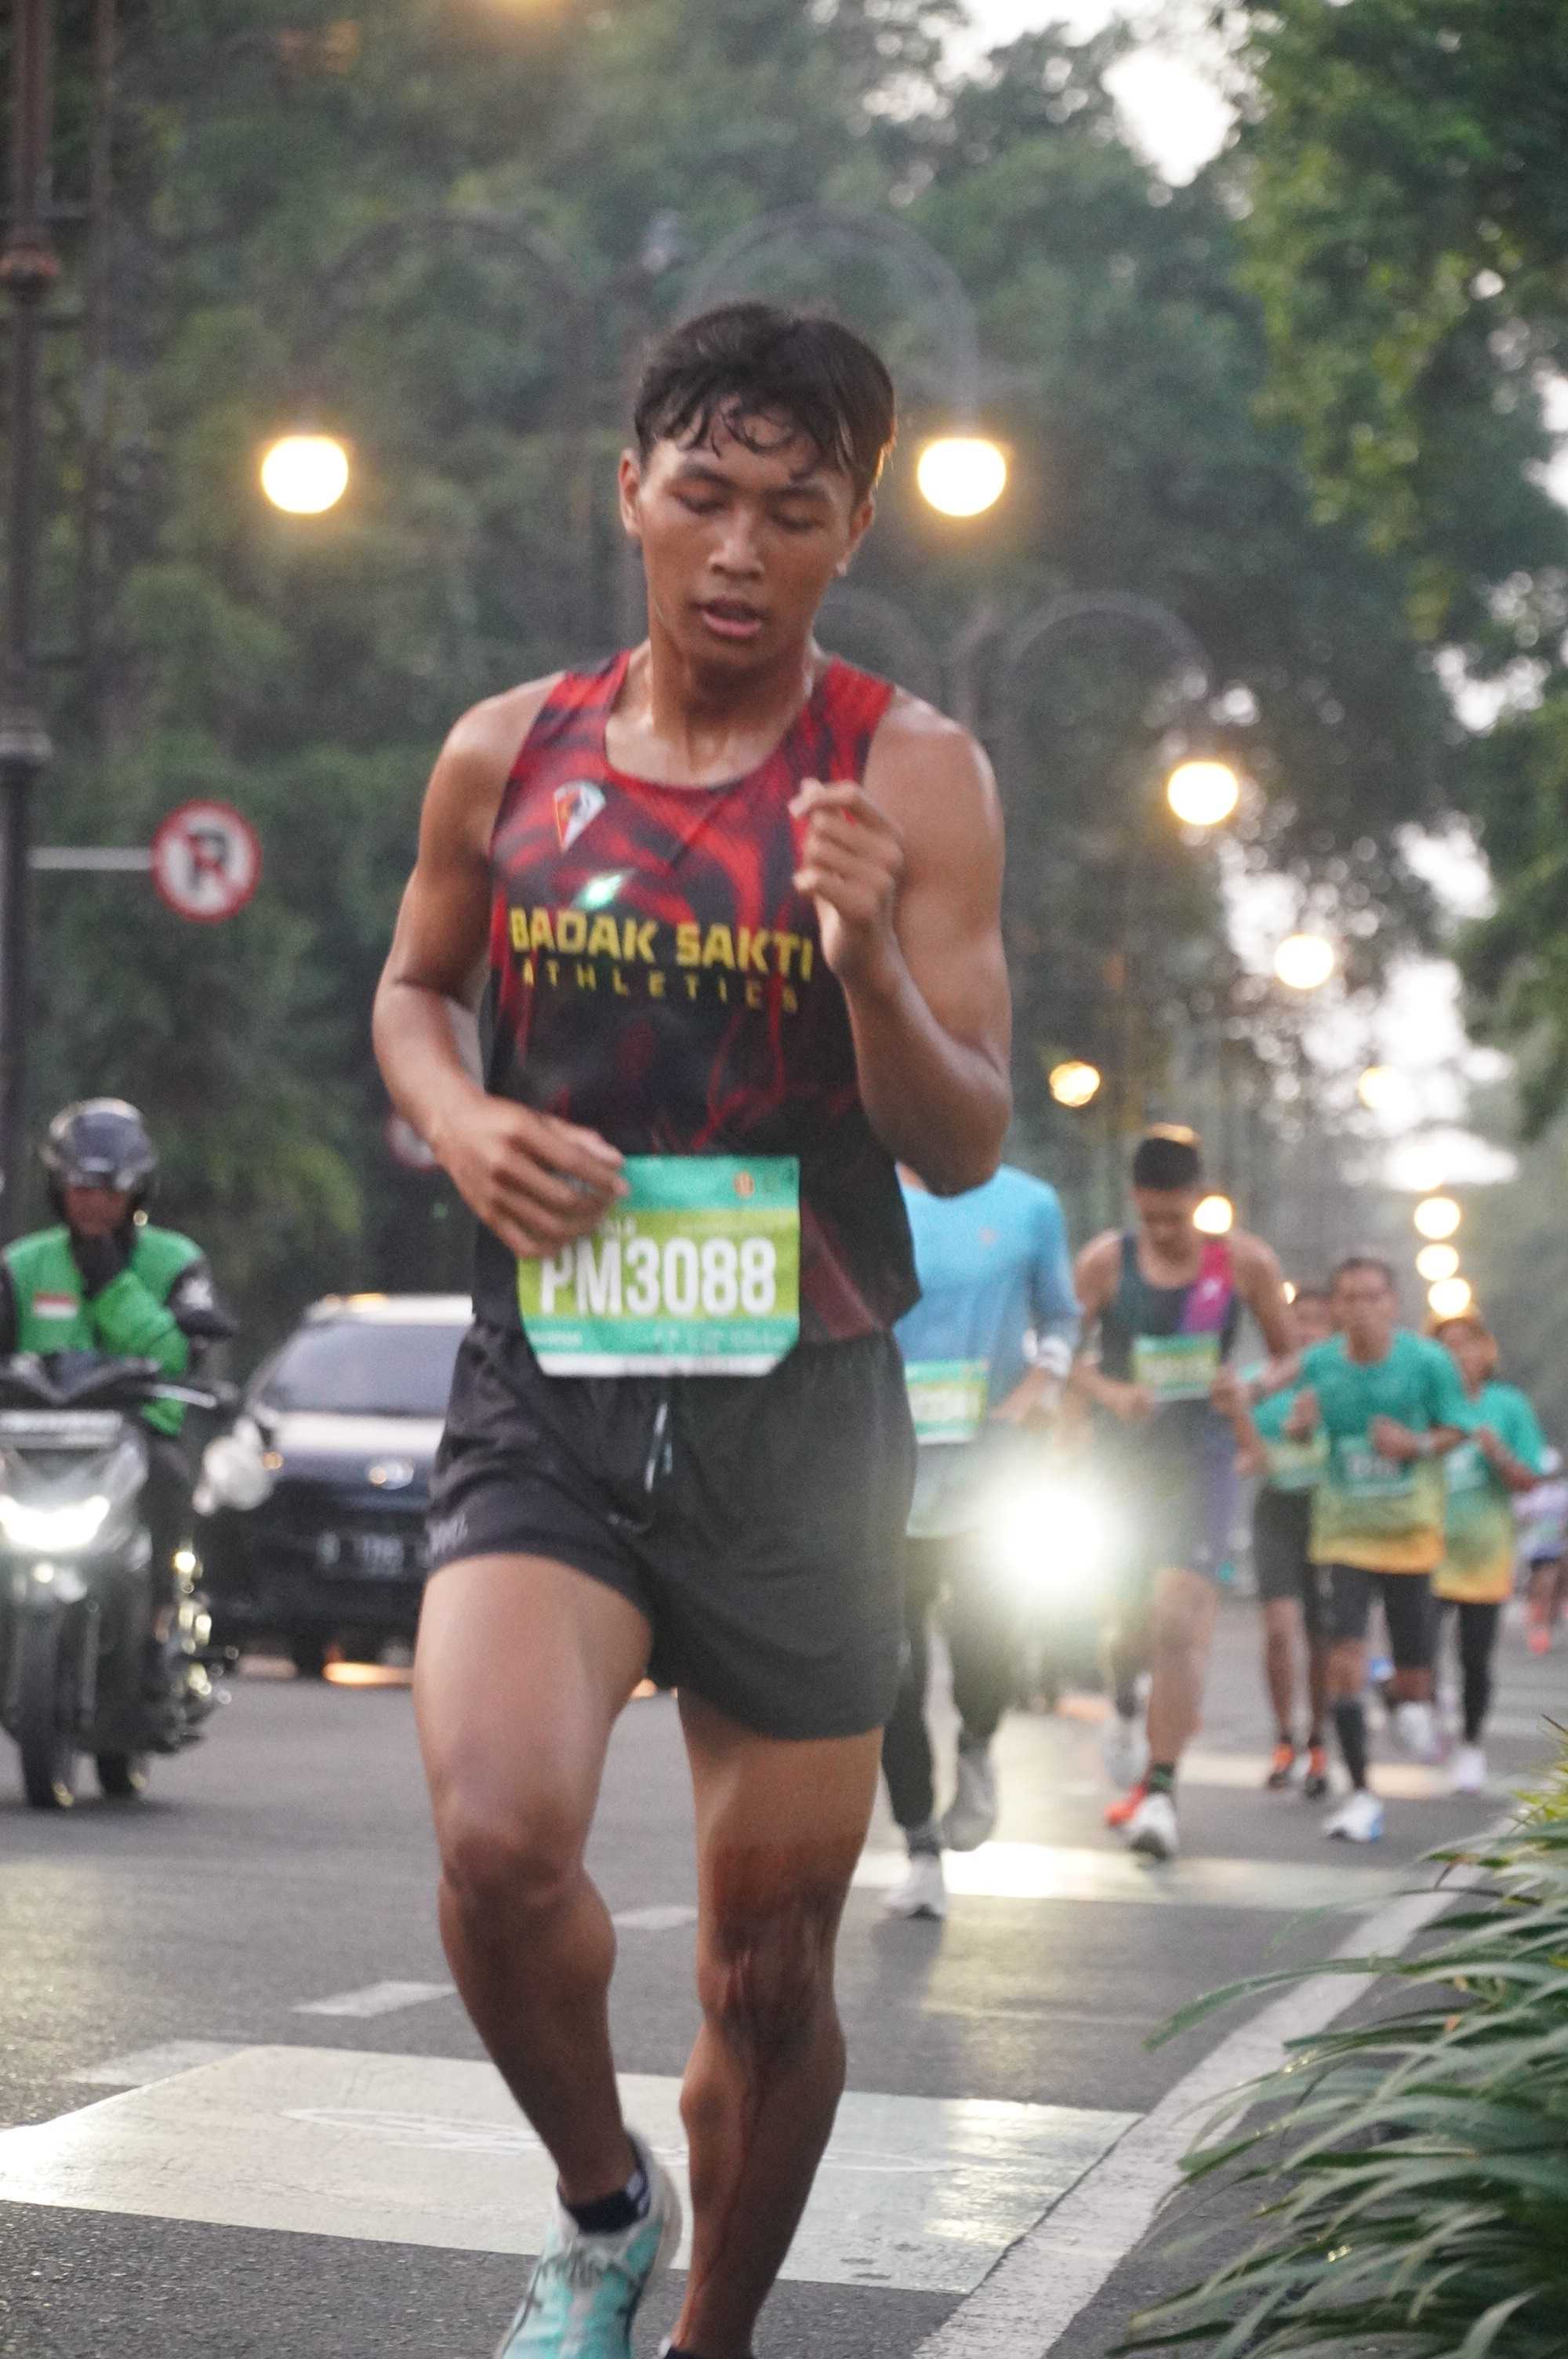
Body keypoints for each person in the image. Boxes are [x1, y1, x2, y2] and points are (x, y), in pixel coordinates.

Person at [372, 303, 1011, 2359]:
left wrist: (866, 965)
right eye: (706, 496)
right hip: (551, 1380)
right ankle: (603, 2205)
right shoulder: (508, 748)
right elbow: (415, 990)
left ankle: (711, 2334)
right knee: (495, 1843)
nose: (740, 550)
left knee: (767, 1976)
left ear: (854, 531)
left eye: (793, 513)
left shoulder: (912, 772)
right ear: (630, 489)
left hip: (803, 1418)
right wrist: (462, 1121)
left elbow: (961, 1138)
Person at [1073, 1126, 1291, 1862]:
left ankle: (1162, 1793)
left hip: (1202, 1459)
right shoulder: (1106, 1263)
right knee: (1124, 1621)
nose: (1165, 1231)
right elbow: (1060, 1353)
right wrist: (1110, 1393)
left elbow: (1289, 1357)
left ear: (1200, 1198)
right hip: (1122, 1466)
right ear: (1134, 1200)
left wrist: (1250, 1388)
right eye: (1152, 1217)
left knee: (1179, 1619)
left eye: (1177, 1216)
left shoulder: (1244, 1263)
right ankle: (1123, 1702)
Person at [880, 1161, 1080, 1921]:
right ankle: (919, 1848)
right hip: (885, 1473)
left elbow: (1061, 1319)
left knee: (985, 1644)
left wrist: (1039, 1386)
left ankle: (977, 1742)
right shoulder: (860, 1189)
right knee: (891, 1672)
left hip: (989, 1478)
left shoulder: (1030, 1202)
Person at [0, 1099, 234, 1718]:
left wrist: (111, 1284)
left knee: (171, 1479)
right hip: (27, 1442)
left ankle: (159, 1627)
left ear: (136, 1191)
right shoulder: (22, 1265)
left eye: (109, 1189)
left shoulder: (175, 1260)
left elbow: (175, 1352)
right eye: (80, 1186)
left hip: (133, 1438)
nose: (93, 1202)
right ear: (57, 1186)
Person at [1258, 1255, 1472, 1842]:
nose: (1360, 1309)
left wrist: (1415, 1444)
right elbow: (1271, 1387)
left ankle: (1401, 1695)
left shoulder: (1428, 1362)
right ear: (1338, 1308)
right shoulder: (1322, 1362)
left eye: (1372, 1297)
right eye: (1349, 1298)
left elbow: (1458, 1428)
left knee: (1414, 1689)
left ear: (1393, 1303)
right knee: (1342, 1657)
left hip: (1410, 1538)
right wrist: (1290, 1421)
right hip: (1343, 1536)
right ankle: (1360, 1794)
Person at [1429, 1311, 1549, 1793]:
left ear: (1486, 1351)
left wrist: (1495, 1451)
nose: (1459, 1354)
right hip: (1423, 1550)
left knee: (1474, 1657)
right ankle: (1423, 1702)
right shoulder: (1424, 1403)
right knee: (1412, 1651)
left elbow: (1529, 1481)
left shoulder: (1508, 1405)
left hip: (1485, 1553)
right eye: (1446, 1345)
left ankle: (1471, 1745)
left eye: (1467, 1343)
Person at [1235, 1285, 1336, 1799]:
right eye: (1299, 1318)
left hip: (1330, 1516)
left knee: (1323, 1638)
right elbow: (1238, 1435)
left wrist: (1317, 1429)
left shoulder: (1343, 1381)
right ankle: (1283, 1738)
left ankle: (1319, 1740)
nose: (1306, 1329)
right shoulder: (1262, 1383)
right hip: (1276, 1511)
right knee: (1279, 1628)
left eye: (1318, 1319)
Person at [1518, 1459, 1568, 1656]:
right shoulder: (1530, 1491)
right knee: (1536, 1589)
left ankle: (1541, 1631)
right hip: (1532, 1550)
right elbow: (1521, 1515)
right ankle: (1536, 1620)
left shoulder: (1563, 1493)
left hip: (1554, 1550)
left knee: (1548, 1587)